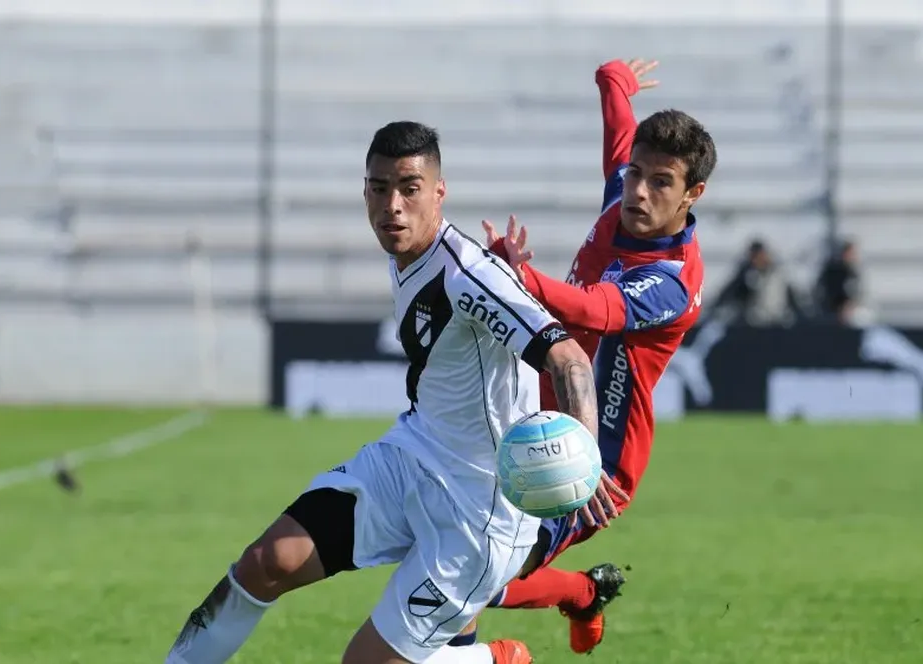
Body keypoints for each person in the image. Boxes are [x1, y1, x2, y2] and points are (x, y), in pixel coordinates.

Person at [162, 121, 600, 664]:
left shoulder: (470, 274)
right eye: (378, 188)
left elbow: (568, 359)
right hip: (411, 458)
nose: (392, 205)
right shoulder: (411, 255)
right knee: (267, 561)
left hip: (478, 509)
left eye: (409, 189)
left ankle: (488, 660)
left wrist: (582, 460)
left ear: (439, 193)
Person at [475, 58, 716, 655]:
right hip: (526, 414)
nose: (638, 189)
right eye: (636, 172)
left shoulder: (671, 280)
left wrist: (522, 277)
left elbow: (597, 311)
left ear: (693, 194)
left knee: (479, 571)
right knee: (459, 555)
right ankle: (583, 594)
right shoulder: (623, 195)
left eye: (661, 181)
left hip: (595, 460)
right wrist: (613, 78)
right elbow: (618, 131)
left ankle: (576, 599)